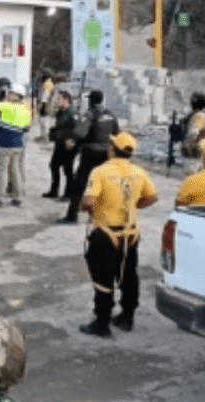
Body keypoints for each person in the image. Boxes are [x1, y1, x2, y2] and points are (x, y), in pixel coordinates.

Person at [79, 132, 158, 337]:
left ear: (113, 150)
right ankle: (127, 316)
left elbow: (88, 201)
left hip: (106, 233)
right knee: (128, 275)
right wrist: (133, 205)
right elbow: (152, 197)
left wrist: (89, 210)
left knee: (103, 278)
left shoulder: (100, 172)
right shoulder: (139, 172)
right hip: (130, 234)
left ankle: (102, 322)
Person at [57, 90, 119, 225]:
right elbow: (117, 133)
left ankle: (72, 216)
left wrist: (73, 140)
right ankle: (99, 216)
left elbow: (79, 133)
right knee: (103, 184)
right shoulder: (110, 114)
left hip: (90, 153)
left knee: (80, 183)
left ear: (90, 100)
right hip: (106, 154)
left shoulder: (89, 114)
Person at [43, 90, 78, 199]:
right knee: (54, 165)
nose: (57, 101)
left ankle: (68, 193)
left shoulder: (72, 113)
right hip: (59, 144)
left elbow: (78, 129)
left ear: (66, 100)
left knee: (67, 169)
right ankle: (54, 191)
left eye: (59, 99)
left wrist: (73, 140)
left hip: (69, 146)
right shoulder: (60, 112)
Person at [180, 92, 205, 175]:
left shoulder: (199, 116)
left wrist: (186, 144)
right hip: (202, 152)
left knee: (192, 177)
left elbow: (193, 132)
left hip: (195, 153)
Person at [36, 71, 56, 143]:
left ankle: (45, 139)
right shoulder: (47, 83)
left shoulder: (48, 83)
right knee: (42, 122)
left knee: (44, 123)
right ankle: (43, 137)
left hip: (45, 105)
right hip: (45, 105)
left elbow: (45, 96)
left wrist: (42, 106)